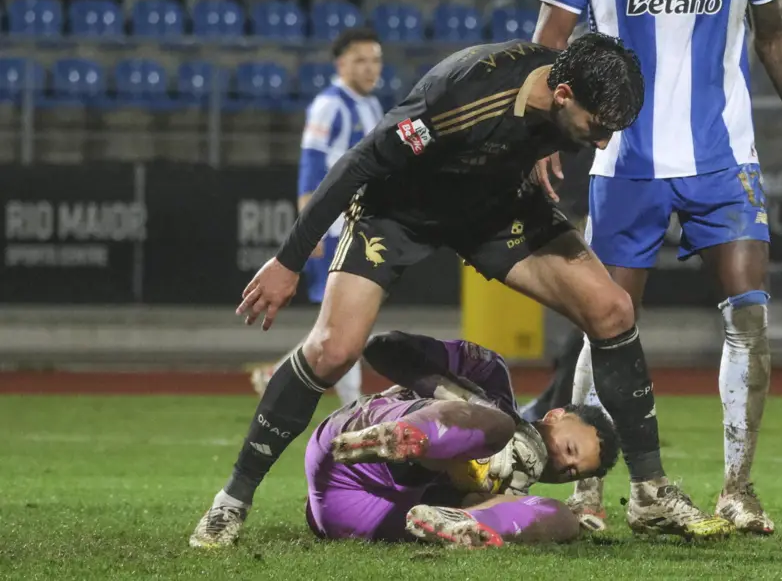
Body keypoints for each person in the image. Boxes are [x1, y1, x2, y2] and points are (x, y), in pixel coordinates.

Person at [190, 33, 733, 548]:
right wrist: (288, 262)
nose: (604, 140)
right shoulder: (464, 96)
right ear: (562, 93)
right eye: (597, 126)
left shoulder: (568, 84)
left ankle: (650, 490)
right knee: (332, 349)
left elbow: (550, 130)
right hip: (398, 213)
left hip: (493, 211)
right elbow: (359, 162)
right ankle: (231, 500)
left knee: (612, 309)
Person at [530, 0, 782, 534]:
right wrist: (534, 132)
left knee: (749, 317)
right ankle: (588, 492)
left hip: (722, 154)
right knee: (606, 320)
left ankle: (738, 485)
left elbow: (774, 38)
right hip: (625, 157)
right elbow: (547, 39)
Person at [306, 329, 619, 546]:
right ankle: (407, 436)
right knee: (499, 426)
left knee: (563, 520)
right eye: (570, 448)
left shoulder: (513, 490)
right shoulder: (491, 373)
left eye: (572, 472)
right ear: (556, 415)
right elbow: (384, 346)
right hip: (349, 450)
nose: (564, 462)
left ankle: (463, 524)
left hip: (366, 516)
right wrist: (469, 400)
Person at [248, 28, 384, 406]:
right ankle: (354, 407)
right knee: (346, 323)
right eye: (361, 60)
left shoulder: (371, 106)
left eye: (375, 60)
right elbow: (310, 167)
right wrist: (311, 233)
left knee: (340, 324)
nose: (370, 68)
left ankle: (277, 374)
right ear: (341, 64)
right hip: (334, 229)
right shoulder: (330, 106)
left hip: (357, 228)